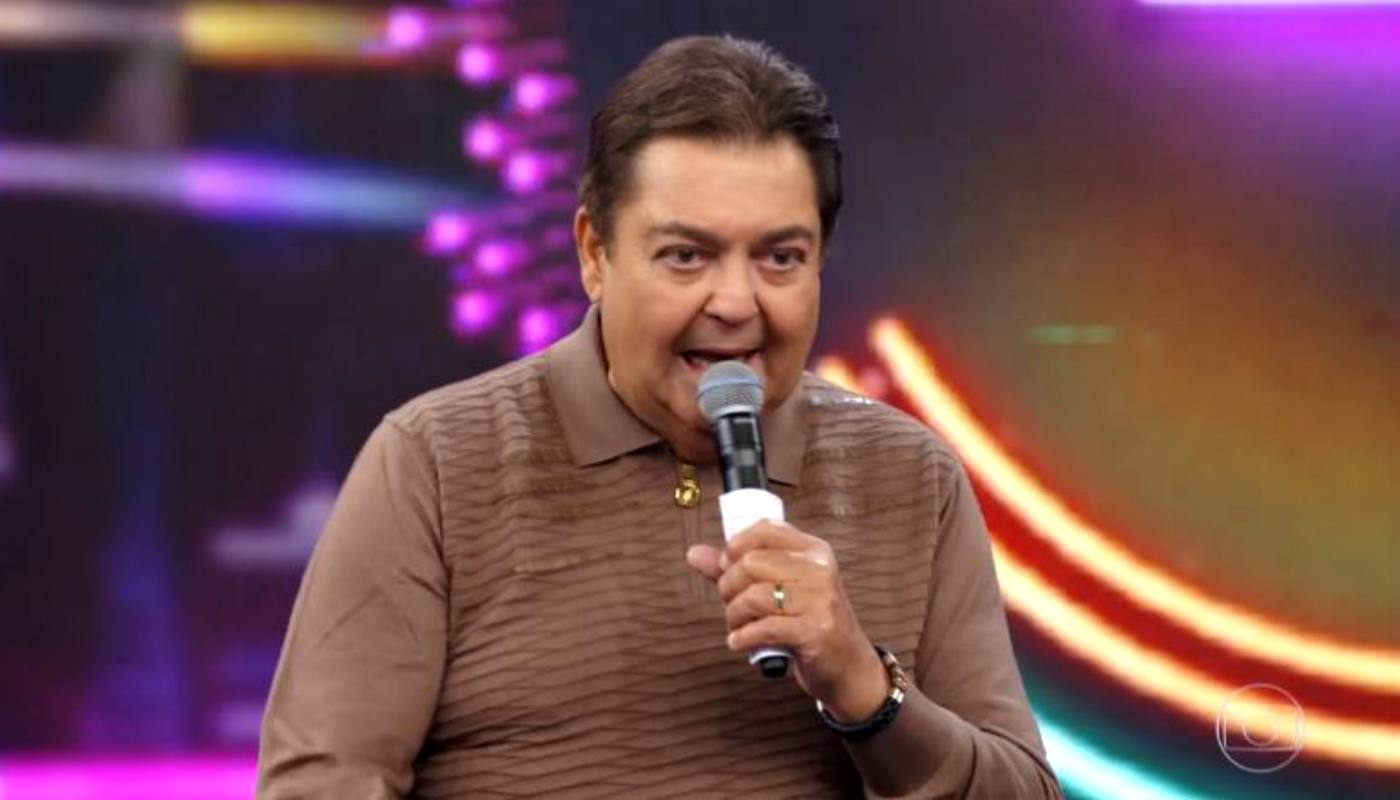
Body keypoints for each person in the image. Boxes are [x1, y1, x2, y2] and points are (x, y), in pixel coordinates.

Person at [257, 35, 1063, 799]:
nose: (736, 302)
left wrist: (864, 687)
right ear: (594, 253)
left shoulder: (910, 476)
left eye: (780, 258)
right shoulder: (433, 463)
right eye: (687, 256)